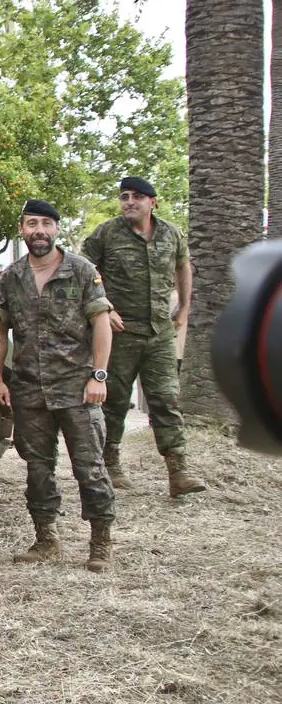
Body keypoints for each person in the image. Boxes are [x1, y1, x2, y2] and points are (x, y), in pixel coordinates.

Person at [0, 199, 118, 573]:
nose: (39, 231)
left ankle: (100, 543)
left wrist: (99, 375)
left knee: (90, 467)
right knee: (37, 467)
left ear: (57, 229)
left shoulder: (81, 270)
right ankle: (46, 537)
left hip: (77, 388)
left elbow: (101, 323)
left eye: (46, 223)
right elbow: (0, 330)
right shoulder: (12, 277)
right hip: (30, 389)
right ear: (22, 230)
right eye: (32, 224)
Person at [82, 176, 205, 496]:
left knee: (165, 398)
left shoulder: (171, 234)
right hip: (120, 333)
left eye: (137, 196)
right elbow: (83, 267)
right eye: (124, 196)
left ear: (153, 202)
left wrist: (185, 307)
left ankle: (178, 471)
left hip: (159, 332)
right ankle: (110, 465)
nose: (129, 202)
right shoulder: (107, 233)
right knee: (114, 402)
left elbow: (183, 266)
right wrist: (103, 307)